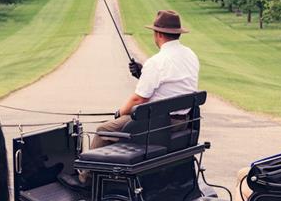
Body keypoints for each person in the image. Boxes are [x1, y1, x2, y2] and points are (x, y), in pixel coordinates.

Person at [60, 10, 199, 189]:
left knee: (103, 129)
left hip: (157, 126)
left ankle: (86, 180)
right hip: (182, 122)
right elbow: (170, 86)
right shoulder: (190, 56)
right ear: (178, 33)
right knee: (118, 124)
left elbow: (137, 100)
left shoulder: (157, 62)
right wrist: (142, 74)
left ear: (158, 34)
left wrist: (119, 112)